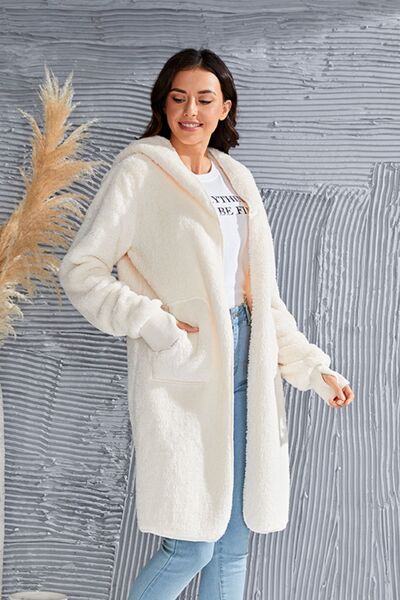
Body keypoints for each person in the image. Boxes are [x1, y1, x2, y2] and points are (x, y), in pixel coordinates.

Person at [59, 47, 354, 600]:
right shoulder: (140, 172)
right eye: (178, 98)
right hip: (185, 366)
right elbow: (81, 270)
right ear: (163, 105)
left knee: (233, 541)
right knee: (191, 545)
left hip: (249, 361)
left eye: (203, 99)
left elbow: (262, 297)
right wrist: (154, 323)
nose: (189, 111)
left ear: (225, 108)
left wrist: (315, 370)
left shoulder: (236, 180)